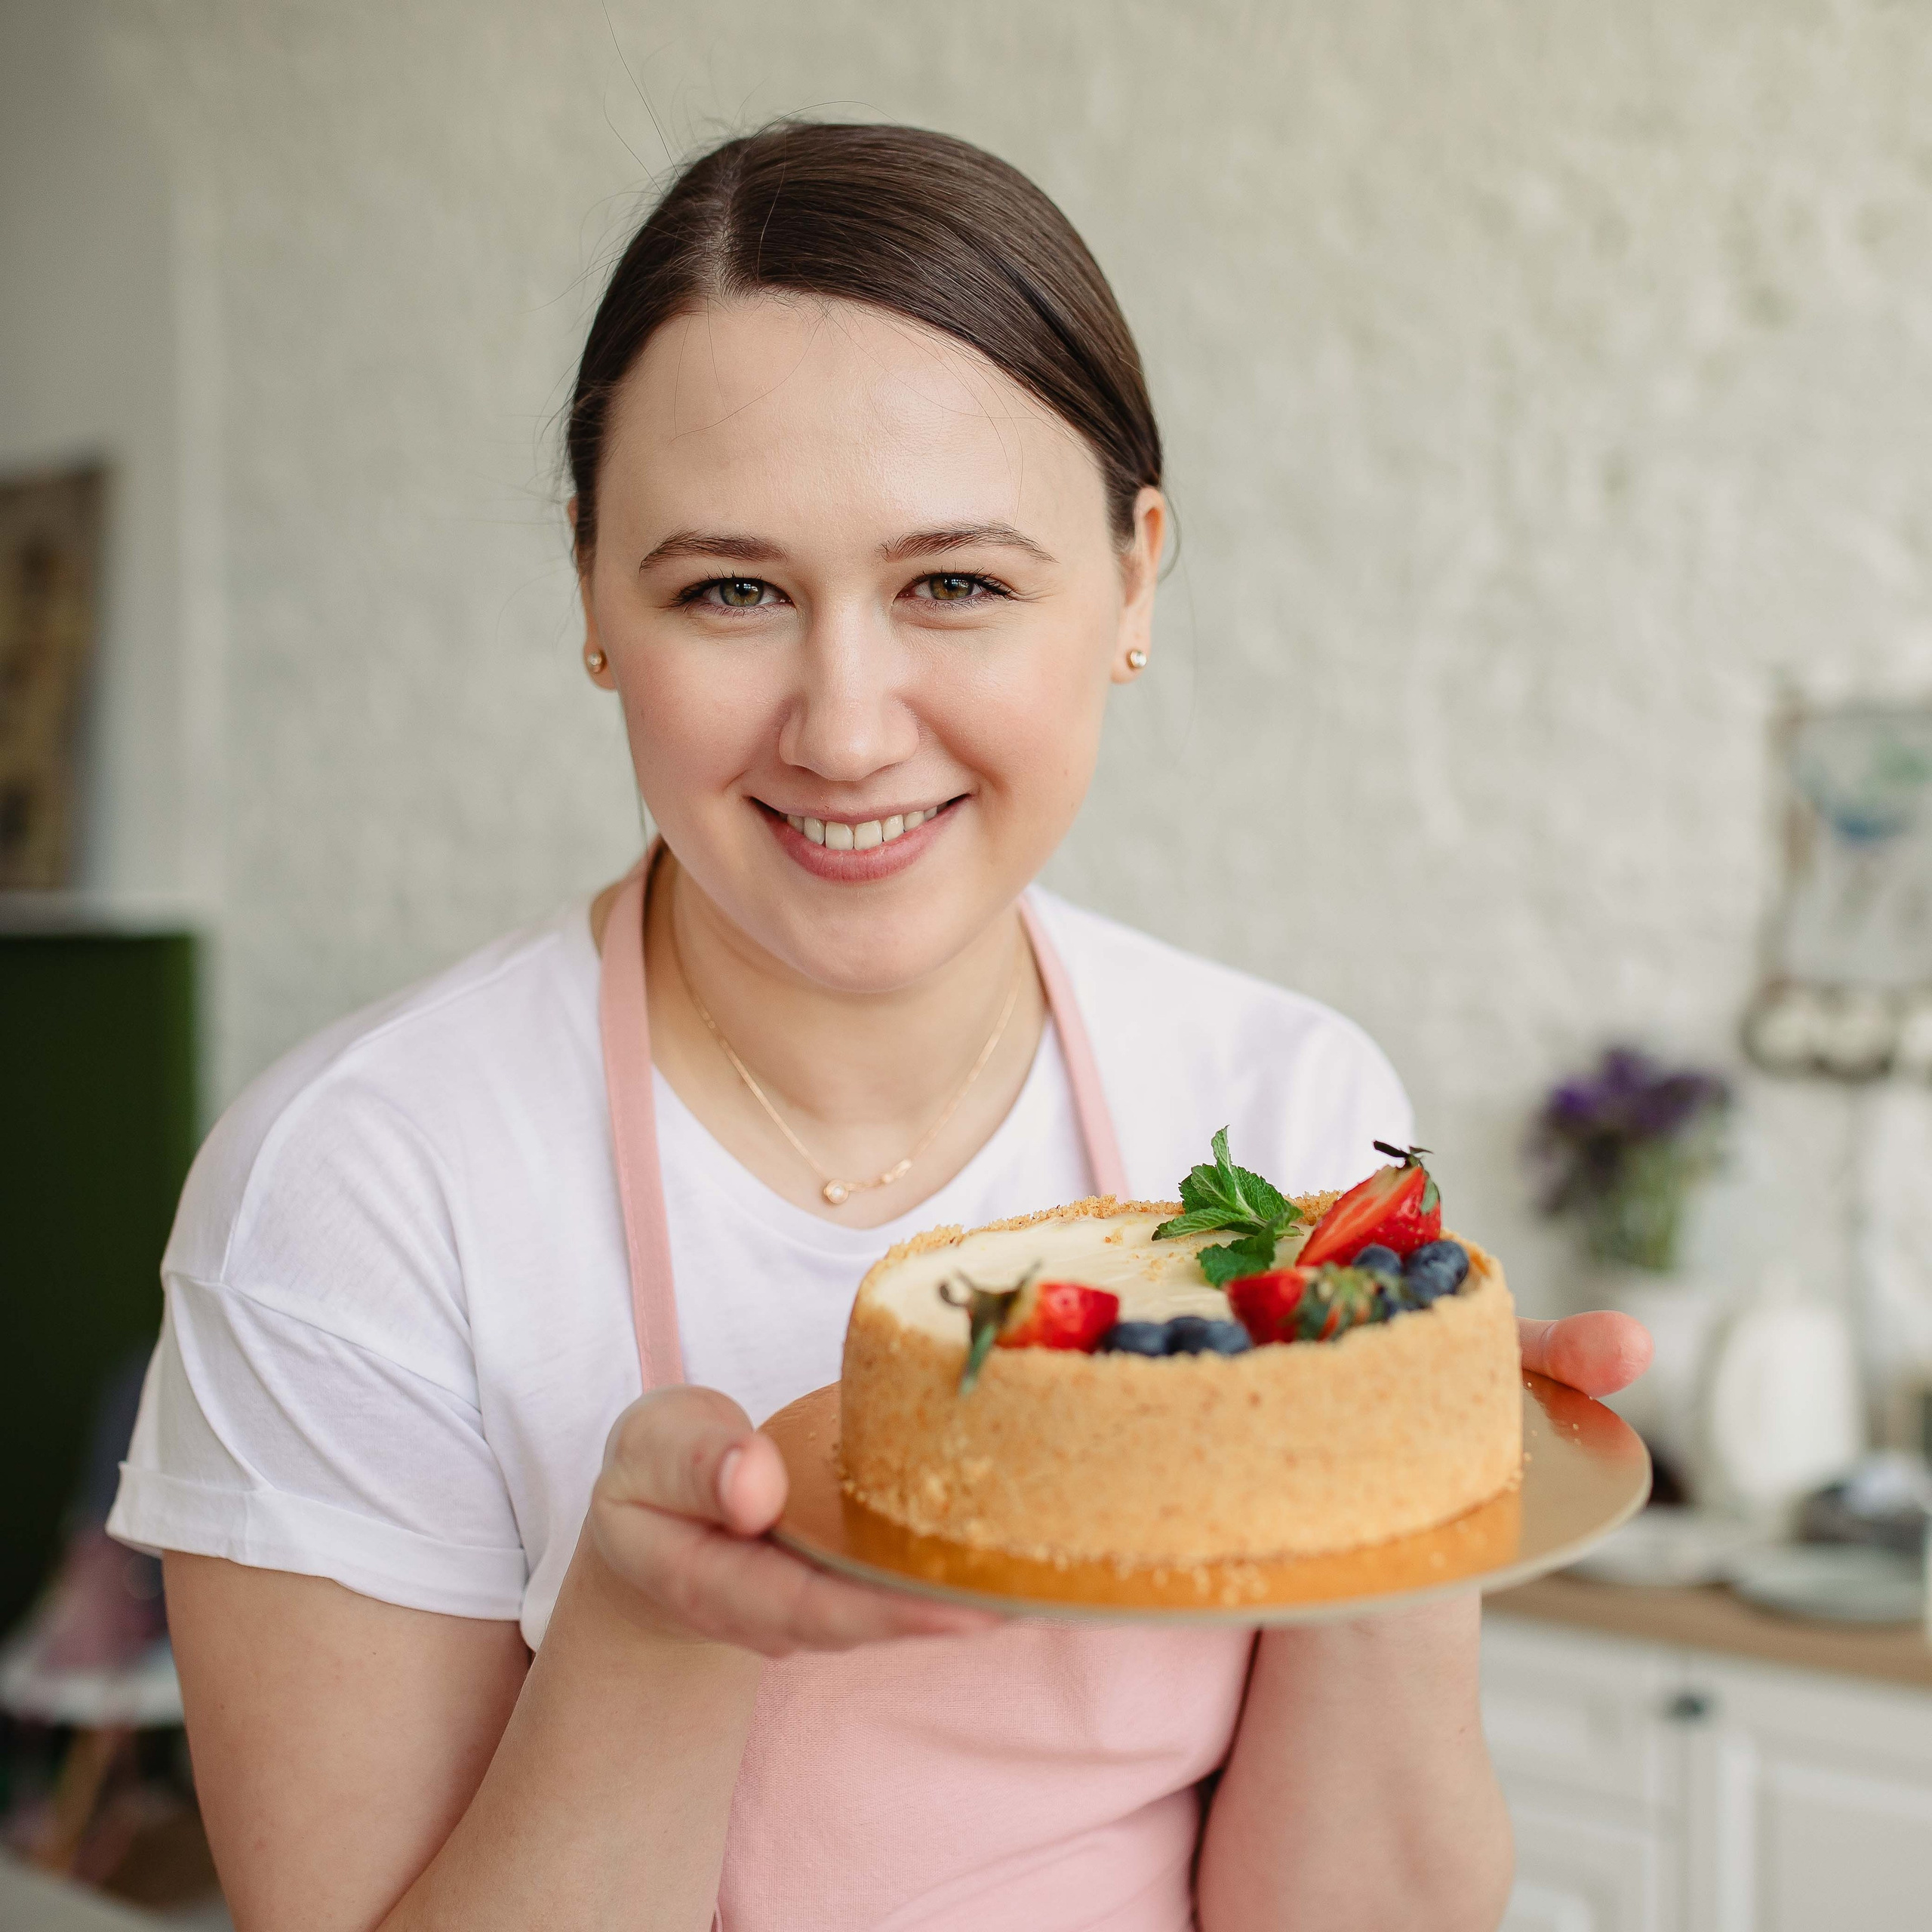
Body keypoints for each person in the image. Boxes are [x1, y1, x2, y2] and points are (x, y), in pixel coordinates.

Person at [108, 121, 1651, 1932]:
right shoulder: (362, 1184)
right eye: (731, 590)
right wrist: (646, 1619)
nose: (844, 726)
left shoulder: (1280, 1100)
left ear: (1134, 578)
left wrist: (1384, 1455)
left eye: (956, 584)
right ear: (595, 598)